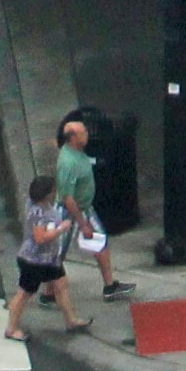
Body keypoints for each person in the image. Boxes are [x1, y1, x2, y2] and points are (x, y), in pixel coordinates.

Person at [57, 114, 133, 303]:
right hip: (70, 213)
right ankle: (49, 293)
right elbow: (68, 198)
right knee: (56, 254)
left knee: (101, 243)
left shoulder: (78, 152)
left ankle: (109, 286)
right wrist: (82, 224)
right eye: (84, 132)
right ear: (73, 137)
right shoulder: (68, 163)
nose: (88, 134)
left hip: (85, 208)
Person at [3, 174, 82, 341]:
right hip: (35, 261)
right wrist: (61, 228)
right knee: (24, 293)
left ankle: (71, 321)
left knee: (61, 284)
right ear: (47, 194)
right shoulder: (40, 213)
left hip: (50, 259)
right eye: (53, 190)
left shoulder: (37, 205)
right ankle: (11, 329)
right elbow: (40, 238)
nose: (55, 193)